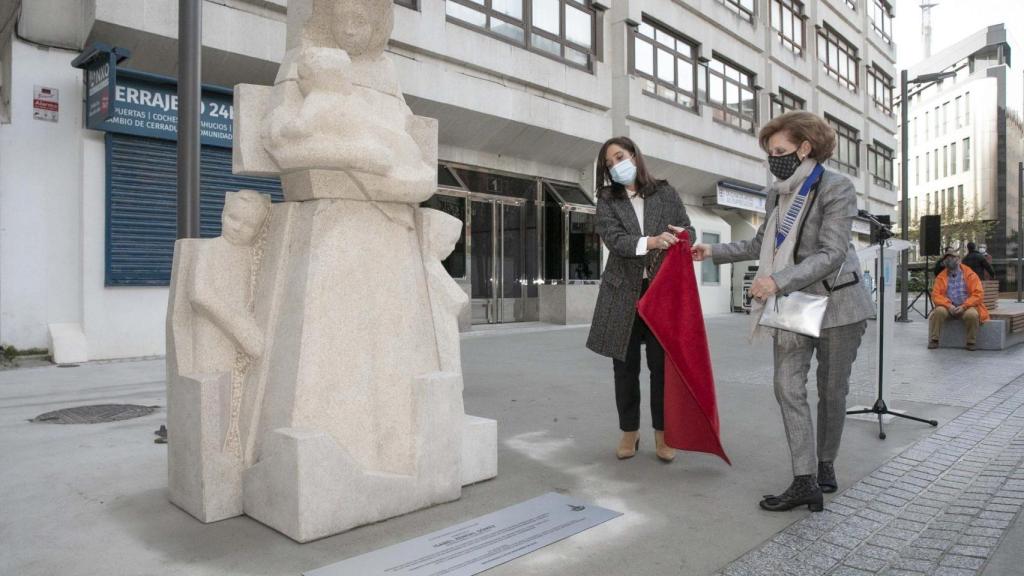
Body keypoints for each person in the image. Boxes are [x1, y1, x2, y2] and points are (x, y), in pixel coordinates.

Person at [685, 111, 874, 512]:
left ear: (805, 148)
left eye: (780, 151)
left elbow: (833, 252)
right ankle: (804, 479)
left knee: (831, 391)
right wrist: (712, 251)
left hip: (838, 304)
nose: (774, 160)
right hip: (793, 306)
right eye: (770, 153)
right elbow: (759, 246)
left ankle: (825, 463)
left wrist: (778, 280)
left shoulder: (836, 188)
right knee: (786, 386)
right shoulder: (777, 193)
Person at [586, 136, 690, 463]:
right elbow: (616, 240)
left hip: (661, 293)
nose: (616, 165)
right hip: (622, 294)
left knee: (661, 368)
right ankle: (629, 431)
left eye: (619, 157)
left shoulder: (665, 192)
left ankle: (663, 434)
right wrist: (653, 241)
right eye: (609, 163)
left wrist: (680, 236)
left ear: (634, 154)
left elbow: (688, 230)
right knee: (625, 367)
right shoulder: (607, 199)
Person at [928, 248, 990, 351]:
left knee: (972, 315)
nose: (949, 260)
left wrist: (964, 306)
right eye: (946, 258)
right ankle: (934, 340)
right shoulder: (941, 276)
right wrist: (949, 305)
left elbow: (978, 294)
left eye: (952, 257)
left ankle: (971, 342)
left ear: (958, 259)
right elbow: (936, 295)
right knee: (938, 311)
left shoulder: (970, 274)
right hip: (948, 306)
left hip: (967, 306)